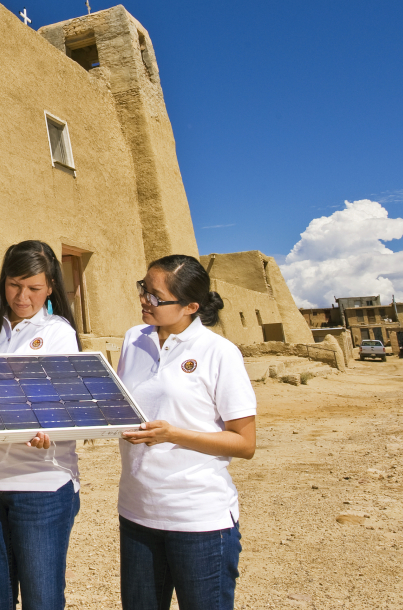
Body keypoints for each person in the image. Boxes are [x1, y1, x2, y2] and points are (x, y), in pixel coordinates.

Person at [115, 254, 257, 610]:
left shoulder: (219, 353)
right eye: (143, 290)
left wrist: (173, 434)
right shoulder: (134, 339)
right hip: (137, 513)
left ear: (190, 306)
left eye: (155, 297)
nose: (144, 301)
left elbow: (244, 442)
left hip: (198, 519)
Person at [0, 241, 83, 610]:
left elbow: (65, 403)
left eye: (34, 288)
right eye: (15, 285)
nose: (23, 297)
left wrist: (51, 426)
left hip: (42, 485)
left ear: (50, 287)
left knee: (42, 600)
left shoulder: (59, 332)